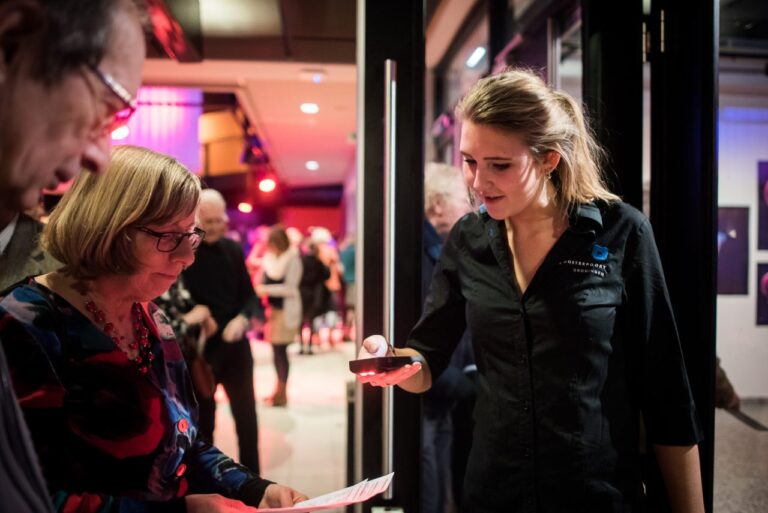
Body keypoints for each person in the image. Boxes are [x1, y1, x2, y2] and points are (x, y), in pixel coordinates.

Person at [356, 68, 705, 513]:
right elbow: (427, 356)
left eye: (499, 165)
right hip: (493, 492)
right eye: (469, 161)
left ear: (548, 160)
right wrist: (395, 361)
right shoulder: (468, 238)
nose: (478, 183)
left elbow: (667, 395)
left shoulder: (622, 233)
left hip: (593, 494)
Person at [0, 145, 308, 512]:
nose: (187, 257)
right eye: (168, 237)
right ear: (109, 227)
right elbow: (32, 497)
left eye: (190, 235)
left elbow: (184, 445)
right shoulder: (26, 324)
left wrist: (254, 489)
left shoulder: (150, 318)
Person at [0, 1, 147, 511]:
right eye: (108, 109)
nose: (100, 156)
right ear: (13, 45)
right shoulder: (28, 313)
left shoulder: (153, 320)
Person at [182, 188, 264, 473]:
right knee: (204, 422)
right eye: (209, 222)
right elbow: (179, 301)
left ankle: (254, 481)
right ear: (195, 221)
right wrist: (199, 315)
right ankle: (207, 481)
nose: (216, 227)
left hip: (236, 345)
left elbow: (249, 295)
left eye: (219, 221)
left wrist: (243, 318)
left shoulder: (231, 249)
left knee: (247, 419)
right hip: (203, 349)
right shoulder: (186, 253)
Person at [420, 162, 475, 513]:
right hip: (429, 388)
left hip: (443, 385)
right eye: (462, 199)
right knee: (428, 482)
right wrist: (461, 383)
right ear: (438, 204)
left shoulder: (440, 247)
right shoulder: (419, 252)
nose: (470, 207)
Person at [256, 225, 303, 407]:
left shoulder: (293, 258)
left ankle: (282, 392)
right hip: (273, 310)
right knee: (275, 351)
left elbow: (291, 289)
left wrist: (264, 290)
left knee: (281, 351)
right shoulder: (269, 259)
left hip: (286, 310)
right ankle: (278, 390)